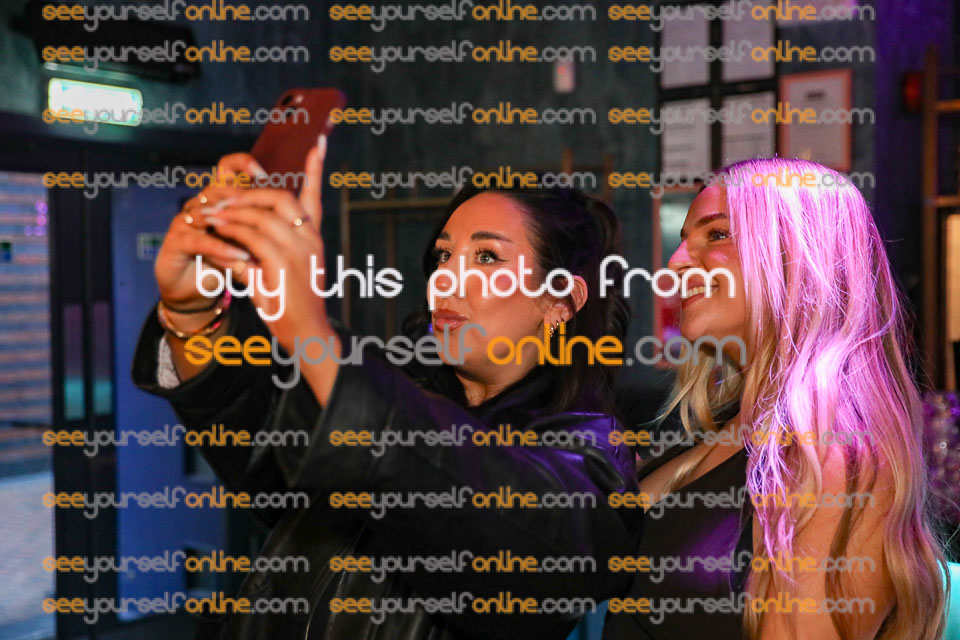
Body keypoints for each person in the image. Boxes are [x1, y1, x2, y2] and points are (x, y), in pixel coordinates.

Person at [131, 137, 642, 640]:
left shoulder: (590, 455)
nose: (446, 280)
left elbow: (503, 532)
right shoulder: (392, 380)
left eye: (487, 257)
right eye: (444, 256)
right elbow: (261, 442)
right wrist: (192, 312)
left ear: (560, 302)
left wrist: (309, 332)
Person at [602, 158, 948, 640]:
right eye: (683, 240)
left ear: (797, 254)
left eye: (717, 234)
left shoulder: (832, 457)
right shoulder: (708, 434)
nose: (675, 262)